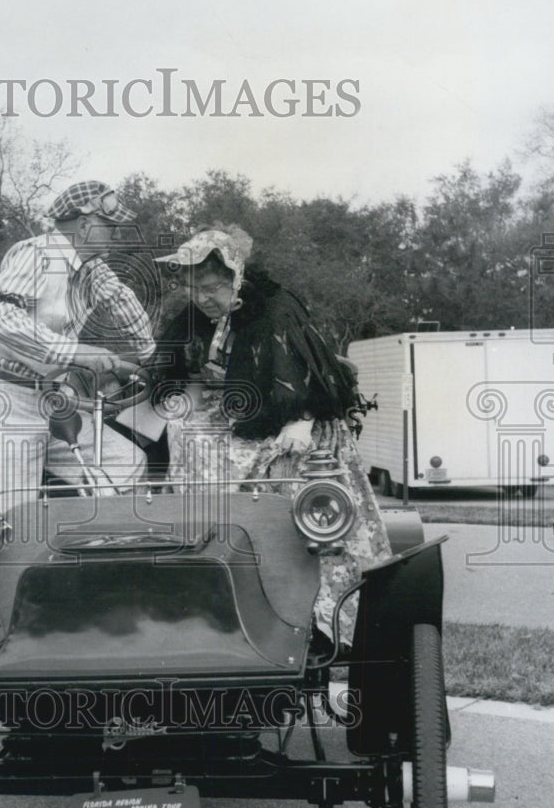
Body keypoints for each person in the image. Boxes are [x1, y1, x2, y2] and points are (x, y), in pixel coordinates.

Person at [154, 226, 390, 647]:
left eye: (211, 288)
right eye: (195, 290)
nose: (203, 299)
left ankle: (317, 616)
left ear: (236, 278)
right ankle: (211, 584)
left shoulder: (275, 310)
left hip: (293, 423)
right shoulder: (197, 316)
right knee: (185, 438)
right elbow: (169, 369)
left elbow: (311, 380)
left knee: (297, 475)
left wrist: (300, 418)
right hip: (233, 426)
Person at [0, 180, 156, 650]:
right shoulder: (37, 252)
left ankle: (84, 587)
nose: (114, 235)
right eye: (109, 226)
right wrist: (82, 352)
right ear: (85, 221)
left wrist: (139, 340)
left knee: (125, 462)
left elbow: (140, 335)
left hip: (47, 399)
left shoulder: (90, 267)